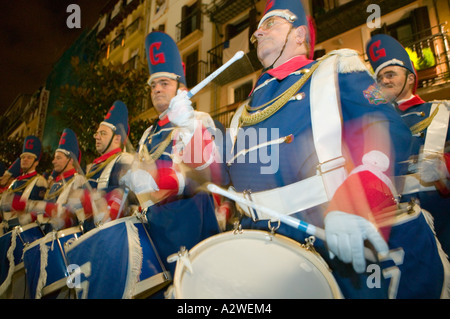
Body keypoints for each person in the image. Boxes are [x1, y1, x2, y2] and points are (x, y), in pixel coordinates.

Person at [224, 0, 448, 298]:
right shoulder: (244, 110)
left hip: (329, 236)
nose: (258, 33)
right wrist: (186, 136)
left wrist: (356, 201)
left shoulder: (338, 69)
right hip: (262, 249)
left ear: (299, 34)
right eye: (257, 30)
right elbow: (218, 171)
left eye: (270, 24)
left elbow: (387, 126)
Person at [120, 31, 222, 277]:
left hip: (191, 227)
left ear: (182, 90)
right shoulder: (147, 134)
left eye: (164, 83)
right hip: (154, 230)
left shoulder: (198, 120)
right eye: (153, 85)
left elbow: (212, 172)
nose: (156, 89)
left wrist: (162, 178)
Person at [366, 34, 450, 256]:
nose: (384, 81)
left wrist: (445, 167)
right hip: (393, 232)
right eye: (380, 77)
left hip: (442, 223)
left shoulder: (441, 111)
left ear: (411, 78)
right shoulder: (374, 123)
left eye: (391, 74)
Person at [80, 101, 138, 230]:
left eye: (103, 133)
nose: (97, 137)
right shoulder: (93, 167)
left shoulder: (124, 161)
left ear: (117, 139)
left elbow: (125, 196)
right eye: (97, 133)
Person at [17, 128, 86, 232]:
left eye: (58, 158)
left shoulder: (78, 180)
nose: (53, 161)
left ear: (70, 160)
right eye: (54, 158)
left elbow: (70, 214)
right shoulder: (57, 183)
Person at [1, 136, 48, 231]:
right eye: (23, 157)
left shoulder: (39, 181)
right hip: (7, 227)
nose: (25, 160)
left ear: (36, 162)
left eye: (29, 158)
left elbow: (38, 209)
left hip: (24, 229)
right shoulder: (15, 182)